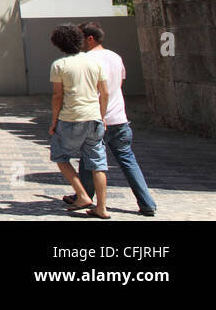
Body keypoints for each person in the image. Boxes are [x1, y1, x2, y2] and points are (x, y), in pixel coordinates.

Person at [67, 21, 158, 216]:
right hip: (120, 118)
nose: (79, 42)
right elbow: (119, 84)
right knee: (127, 160)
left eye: (81, 37)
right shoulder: (115, 57)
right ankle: (146, 202)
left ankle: (83, 197)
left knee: (89, 158)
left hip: (97, 118)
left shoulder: (85, 60)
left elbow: (88, 91)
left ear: (90, 39)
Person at [48, 22, 110, 218]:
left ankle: (82, 194)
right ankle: (102, 208)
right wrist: (102, 115)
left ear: (59, 44)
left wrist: (54, 122)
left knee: (60, 156)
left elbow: (58, 96)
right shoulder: (96, 62)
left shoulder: (59, 65)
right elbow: (105, 92)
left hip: (71, 118)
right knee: (98, 164)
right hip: (94, 118)